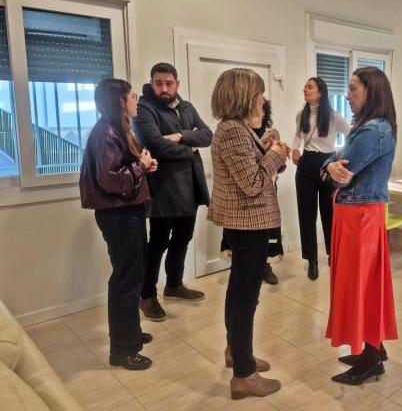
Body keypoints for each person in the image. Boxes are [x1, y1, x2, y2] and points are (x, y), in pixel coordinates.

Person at [208, 68, 289, 399]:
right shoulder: (233, 132)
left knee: (237, 291)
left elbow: (252, 169)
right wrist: (275, 156)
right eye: (259, 93)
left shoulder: (237, 129)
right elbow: (254, 183)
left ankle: (236, 352)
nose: (263, 99)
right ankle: (244, 374)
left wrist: (267, 148)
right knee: (245, 298)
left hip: (245, 223)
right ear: (244, 96)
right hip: (248, 223)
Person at [322, 67, 398, 385]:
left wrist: (329, 166)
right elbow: (334, 161)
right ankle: (372, 347)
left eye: (353, 89)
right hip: (359, 213)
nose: (348, 95)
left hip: (359, 216)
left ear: (372, 91)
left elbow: (343, 171)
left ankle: (370, 357)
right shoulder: (371, 127)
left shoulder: (372, 131)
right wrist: (329, 164)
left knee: (360, 285)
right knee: (364, 283)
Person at [79, 78, 158, 370]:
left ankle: (130, 332)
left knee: (132, 275)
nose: (136, 101)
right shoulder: (107, 133)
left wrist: (143, 166)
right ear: (120, 102)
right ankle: (123, 349)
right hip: (119, 215)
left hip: (126, 212)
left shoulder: (117, 129)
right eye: (132, 96)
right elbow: (111, 180)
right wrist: (141, 166)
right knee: (126, 279)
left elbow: (122, 170)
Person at [134, 63, 213, 322]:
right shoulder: (144, 109)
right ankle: (147, 296)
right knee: (157, 243)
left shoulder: (186, 106)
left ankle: (174, 285)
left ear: (177, 83)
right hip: (163, 189)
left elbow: (208, 135)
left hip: (190, 187)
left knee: (183, 237)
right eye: (159, 83)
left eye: (169, 83)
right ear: (152, 83)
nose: (164, 88)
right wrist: (190, 147)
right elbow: (155, 145)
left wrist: (179, 136)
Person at [219, 99, 285, 285]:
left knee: (267, 230)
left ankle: (265, 265)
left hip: (267, 188)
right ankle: (239, 263)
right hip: (241, 192)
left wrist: (277, 156)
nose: (259, 112)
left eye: (263, 109)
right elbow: (244, 171)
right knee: (239, 233)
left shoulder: (272, 133)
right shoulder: (238, 131)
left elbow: (278, 164)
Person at [292, 77, 350, 280]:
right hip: (306, 163)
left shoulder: (334, 116)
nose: (305, 90)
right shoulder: (301, 114)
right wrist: (295, 149)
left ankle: (333, 254)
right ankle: (312, 260)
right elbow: (298, 135)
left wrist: (340, 155)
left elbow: (351, 135)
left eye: (309, 87)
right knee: (306, 214)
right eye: (304, 87)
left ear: (320, 93)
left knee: (330, 213)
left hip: (328, 164)